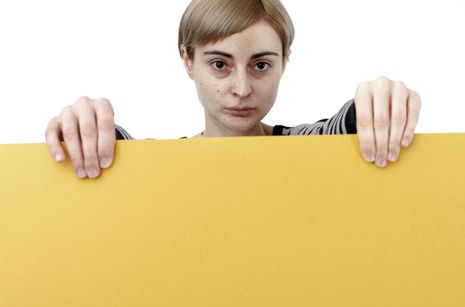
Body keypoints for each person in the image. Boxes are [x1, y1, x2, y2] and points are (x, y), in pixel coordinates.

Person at [45, 0, 421, 179]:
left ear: (284, 62)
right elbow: (117, 152)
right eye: (219, 65)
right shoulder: (156, 167)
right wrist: (85, 126)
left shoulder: (308, 146)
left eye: (261, 65)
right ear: (188, 61)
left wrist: (378, 100)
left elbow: (345, 126)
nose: (241, 89)